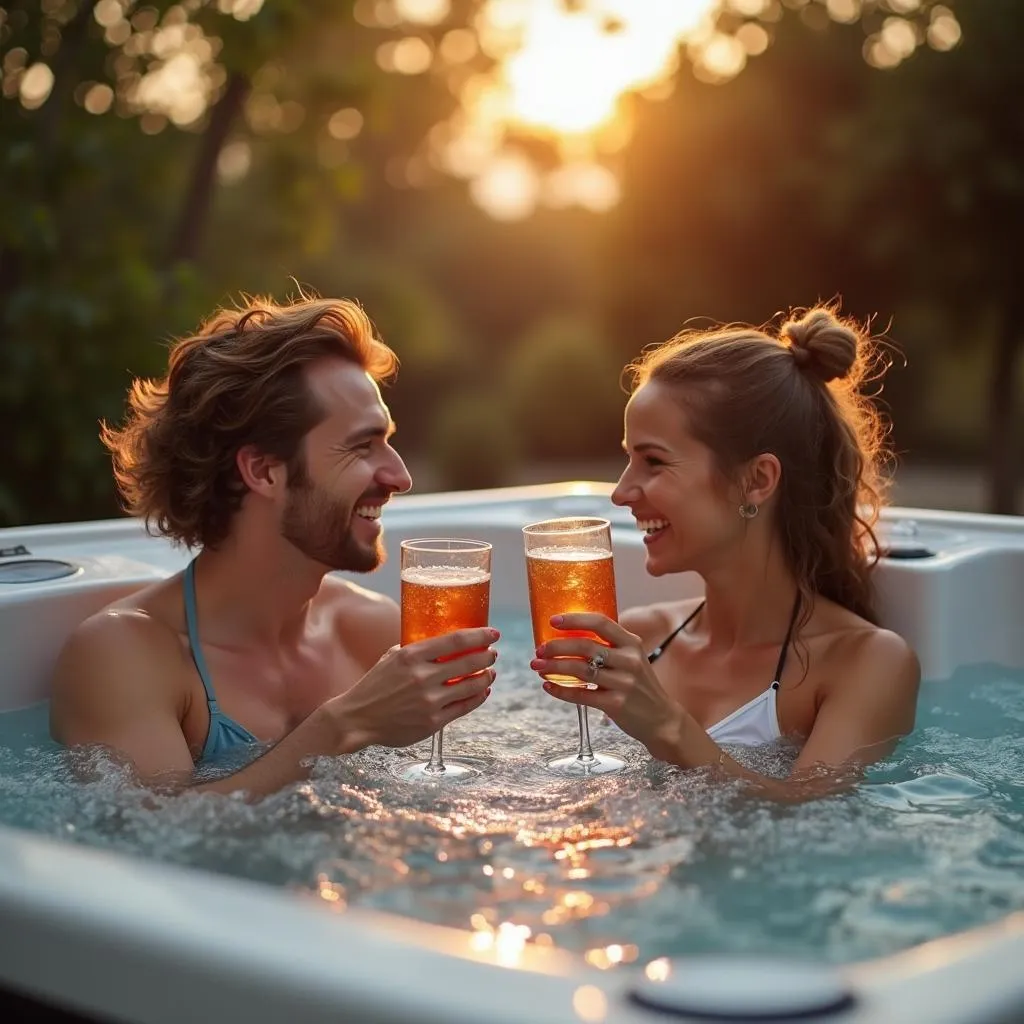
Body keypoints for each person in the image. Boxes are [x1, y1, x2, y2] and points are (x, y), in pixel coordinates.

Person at [50, 297, 498, 795]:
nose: (401, 476)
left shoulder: (370, 632)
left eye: (388, 441)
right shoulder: (126, 655)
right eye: (362, 446)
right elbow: (151, 841)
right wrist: (343, 728)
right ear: (263, 471)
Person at [530, 306, 920, 798]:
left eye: (653, 461)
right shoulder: (642, 636)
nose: (622, 492)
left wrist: (670, 729)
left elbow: (813, 826)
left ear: (757, 481)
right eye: (628, 459)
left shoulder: (866, 663)